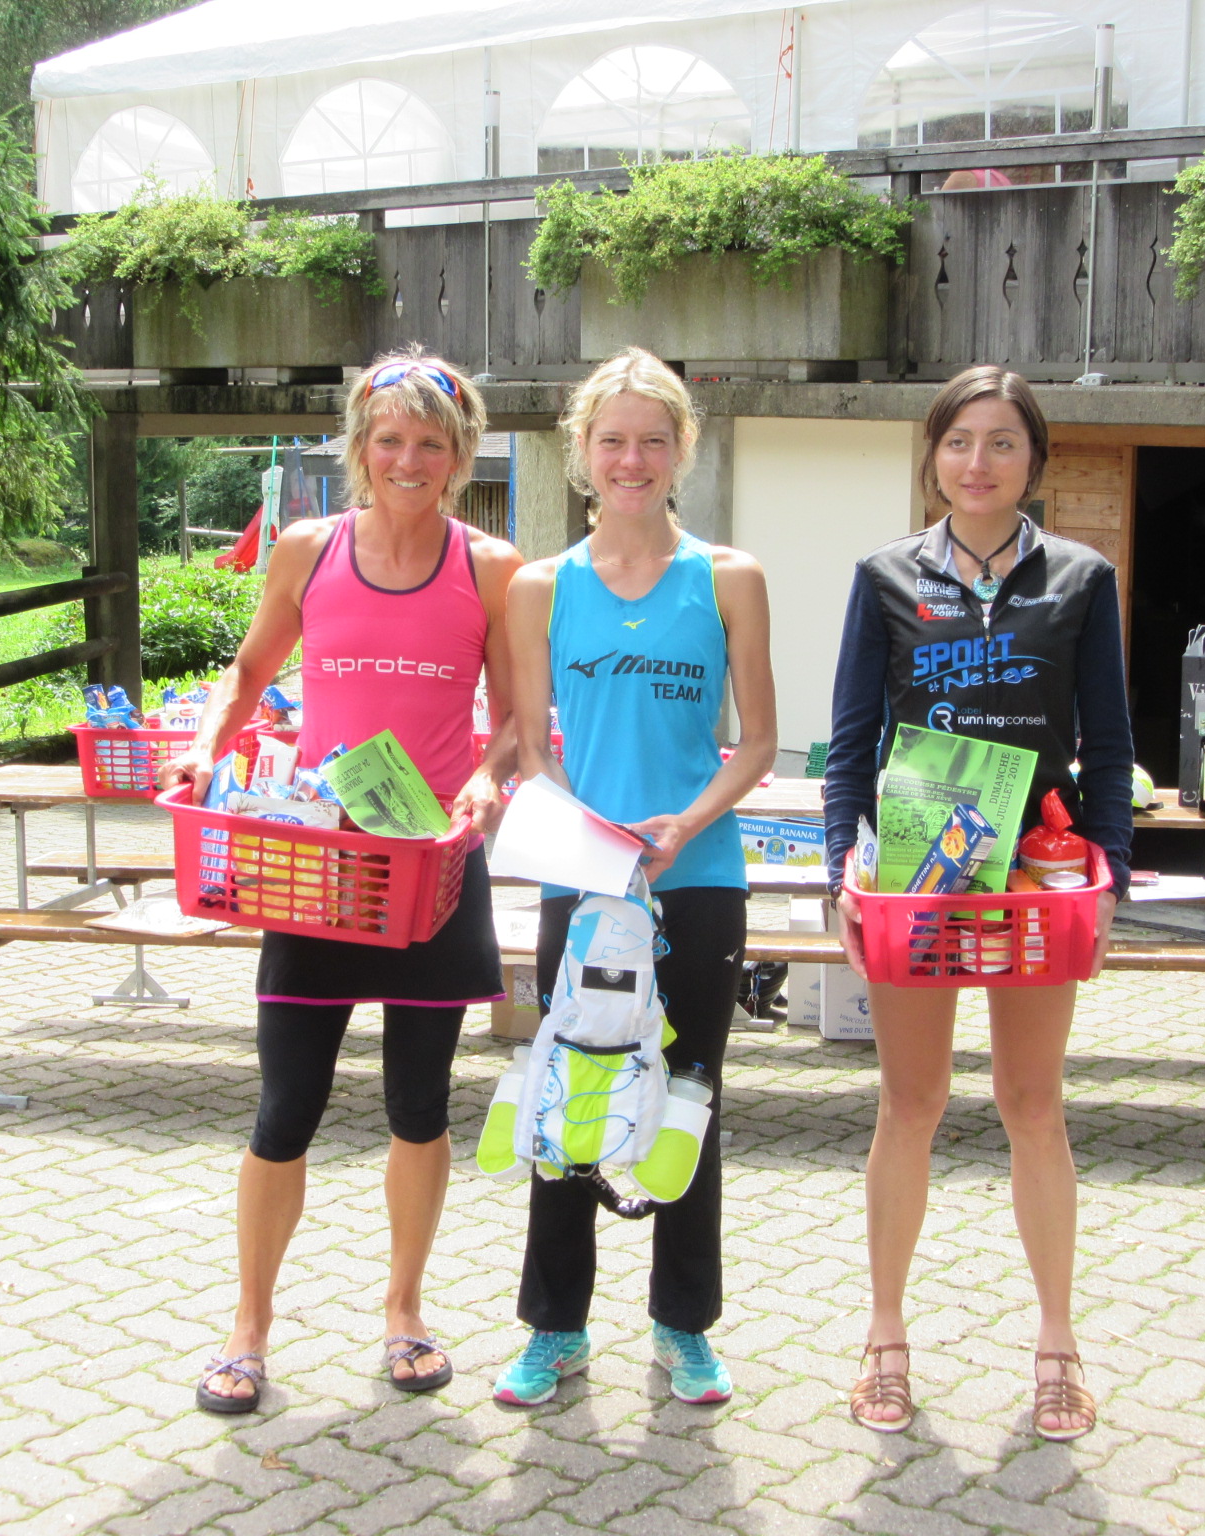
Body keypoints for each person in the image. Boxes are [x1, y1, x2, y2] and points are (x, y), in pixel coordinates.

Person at [161, 351, 523, 1415]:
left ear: (459, 455)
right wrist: (204, 746)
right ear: (361, 446)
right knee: (285, 1109)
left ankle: (404, 1310)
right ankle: (248, 1327)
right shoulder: (309, 550)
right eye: (390, 440)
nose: (408, 460)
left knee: (419, 1107)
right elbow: (249, 671)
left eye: (430, 443)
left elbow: (514, 716)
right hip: (315, 867)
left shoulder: (491, 567)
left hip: (430, 869)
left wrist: (488, 785)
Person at [822, 365, 1133, 1441]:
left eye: (1002, 442)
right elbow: (848, 744)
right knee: (908, 1106)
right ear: (933, 456)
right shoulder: (884, 577)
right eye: (959, 441)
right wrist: (841, 867)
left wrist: (1110, 871)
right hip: (918, 874)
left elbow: (1108, 746)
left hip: (1036, 879)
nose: (979, 462)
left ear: (1033, 460)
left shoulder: (1081, 578)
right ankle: (884, 1338)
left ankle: (1056, 1346)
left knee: (1030, 1105)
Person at [497, 347, 777, 1407]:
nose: (631, 459)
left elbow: (758, 742)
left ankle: (683, 1328)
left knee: (688, 1099)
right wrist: (597, 838)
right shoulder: (540, 587)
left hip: (697, 879)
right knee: (566, 1096)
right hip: (582, 884)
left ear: (681, 450)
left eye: (651, 440)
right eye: (611, 440)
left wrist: (684, 823)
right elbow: (533, 750)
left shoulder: (729, 577)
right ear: (581, 450)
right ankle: (554, 1330)